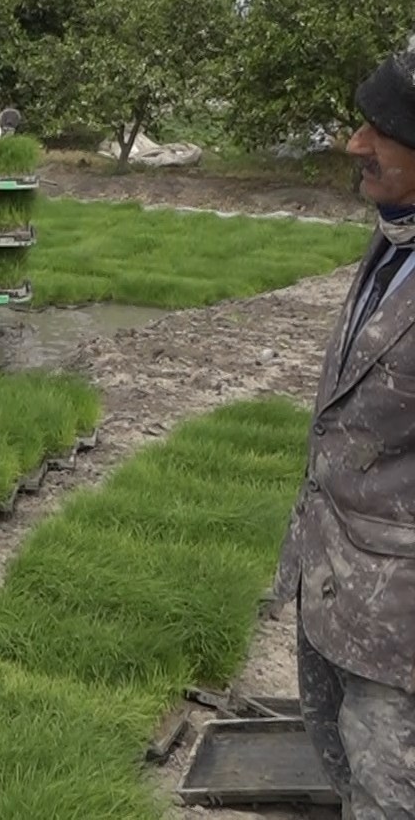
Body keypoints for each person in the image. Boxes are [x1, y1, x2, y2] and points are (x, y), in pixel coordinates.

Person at [274, 48, 415, 820]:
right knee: (346, 775)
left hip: (401, 630)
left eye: (383, 129)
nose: (356, 143)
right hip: (332, 585)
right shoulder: (397, 231)